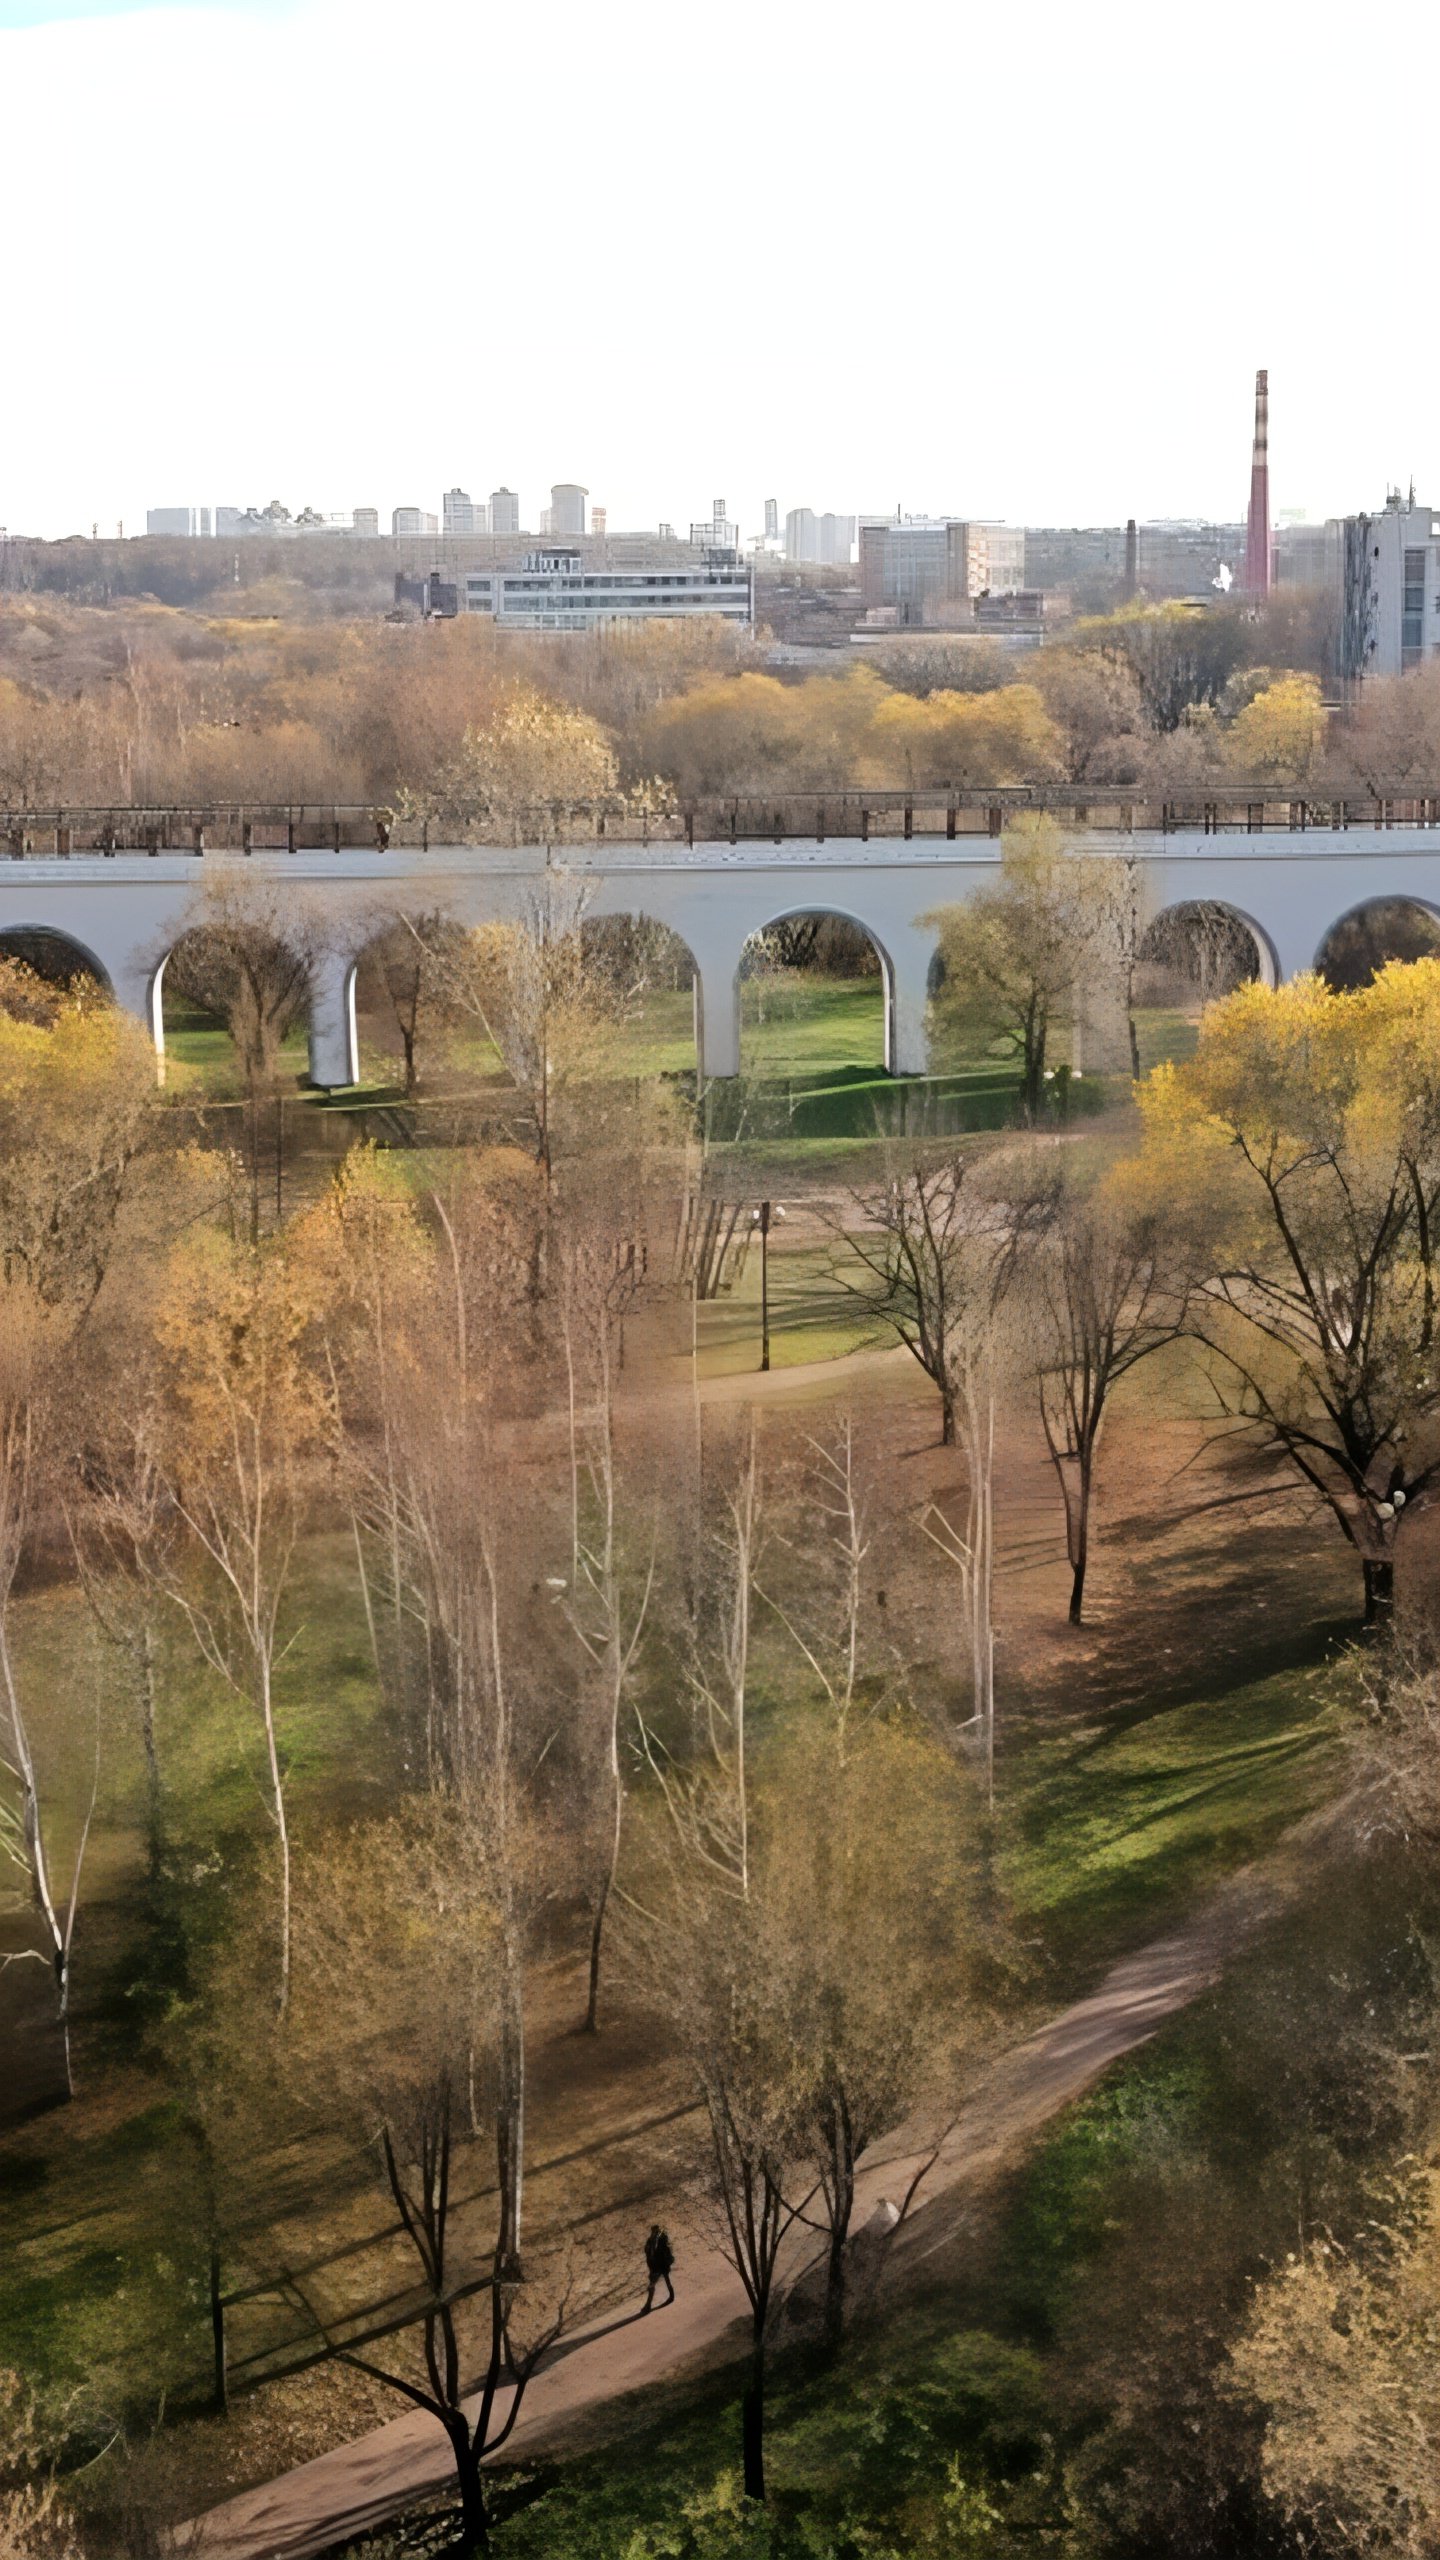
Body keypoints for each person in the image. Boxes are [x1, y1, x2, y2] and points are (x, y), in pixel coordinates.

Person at [643, 2222, 675, 2310]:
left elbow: (651, 2254)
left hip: (659, 2266)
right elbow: (648, 2252)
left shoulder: (658, 2240)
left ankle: (648, 2305)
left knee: (652, 2285)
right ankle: (671, 2296)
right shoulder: (654, 2240)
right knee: (664, 2281)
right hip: (660, 2265)